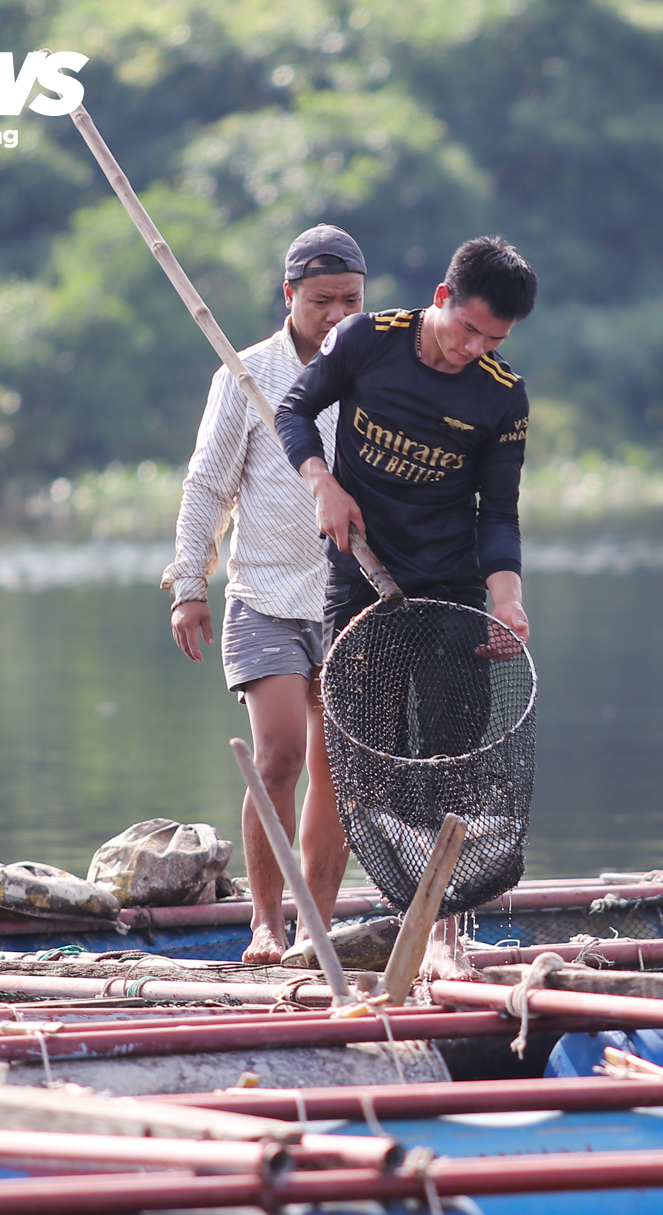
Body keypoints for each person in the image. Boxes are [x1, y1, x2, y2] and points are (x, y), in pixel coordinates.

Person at [161, 224, 367, 963]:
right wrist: (190, 584)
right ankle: (265, 921)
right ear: (289, 296)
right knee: (278, 754)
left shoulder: (374, 370)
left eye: (350, 301)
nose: (336, 315)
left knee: (338, 769)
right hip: (265, 594)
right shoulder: (244, 374)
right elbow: (208, 486)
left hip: (350, 598)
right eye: (321, 301)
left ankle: (315, 928)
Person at [272, 236, 536, 654]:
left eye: (494, 340)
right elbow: (293, 411)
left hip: (451, 590)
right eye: (469, 328)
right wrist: (324, 486)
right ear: (442, 296)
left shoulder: (503, 396)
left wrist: (508, 602)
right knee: (353, 698)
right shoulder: (365, 339)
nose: (474, 349)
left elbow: (499, 513)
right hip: (360, 575)